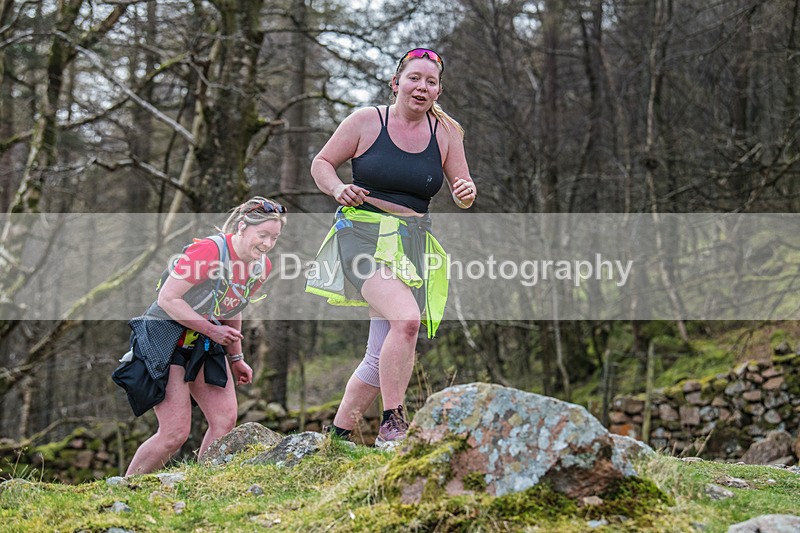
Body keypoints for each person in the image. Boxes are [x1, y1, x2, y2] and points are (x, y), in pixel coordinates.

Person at [306, 48, 476, 448]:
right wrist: (337, 188)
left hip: (412, 243)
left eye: (430, 81)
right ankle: (393, 424)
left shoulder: (447, 133)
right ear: (396, 82)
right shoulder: (367, 121)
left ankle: (337, 439)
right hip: (361, 235)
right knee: (407, 320)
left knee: (379, 351)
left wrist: (467, 193)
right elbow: (321, 163)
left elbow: (463, 190)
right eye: (414, 78)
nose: (422, 87)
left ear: (438, 90)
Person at [123, 197, 286, 475]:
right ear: (243, 226)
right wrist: (212, 330)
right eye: (263, 235)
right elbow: (167, 299)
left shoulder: (261, 266)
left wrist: (236, 357)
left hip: (204, 341)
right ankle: (124, 490)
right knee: (174, 433)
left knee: (225, 420)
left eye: (274, 237)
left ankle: (202, 486)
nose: (268, 244)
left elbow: (234, 306)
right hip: (166, 337)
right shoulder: (209, 251)